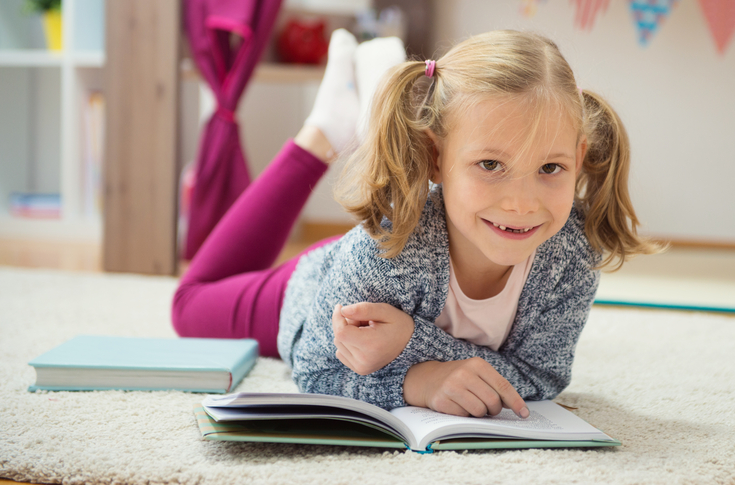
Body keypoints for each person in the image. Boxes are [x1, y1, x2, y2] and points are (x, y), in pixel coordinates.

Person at [172, 28, 658, 419]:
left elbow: (543, 377)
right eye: (490, 165)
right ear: (434, 158)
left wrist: (413, 348)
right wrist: (418, 380)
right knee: (189, 306)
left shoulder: (569, 255)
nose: (521, 203)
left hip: (375, 260)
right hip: (314, 285)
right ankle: (322, 132)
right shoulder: (383, 253)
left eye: (550, 169)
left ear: (579, 159)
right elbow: (316, 371)